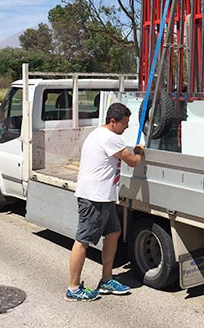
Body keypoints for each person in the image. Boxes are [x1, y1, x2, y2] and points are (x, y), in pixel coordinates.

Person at [65, 102, 144, 302]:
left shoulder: (98, 134)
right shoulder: (110, 139)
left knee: (114, 232)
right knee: (83, 241)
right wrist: (140, 150)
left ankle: (106, 279)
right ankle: (73, 289)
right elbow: (133, 161)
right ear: (113, 121)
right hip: (94, 198)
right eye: (124, 123)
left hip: (104, 197)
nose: (126, 127)